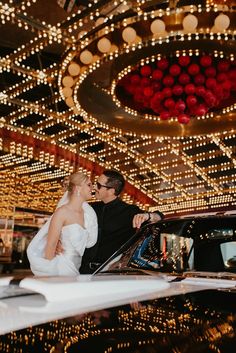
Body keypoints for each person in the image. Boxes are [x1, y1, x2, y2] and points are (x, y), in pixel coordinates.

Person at [79, 169, 164, 274]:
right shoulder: (91, 208)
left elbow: (160, 217)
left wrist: (148, 216)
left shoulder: (129, 211)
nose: (95, 188)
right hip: (83, 270)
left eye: (99, 185)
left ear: (111, 191)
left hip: (108, 274)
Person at [27, 172, 98, 276]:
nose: (92, 188)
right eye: (89, 185)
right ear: (77, 188)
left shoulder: (88, 215)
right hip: (61, 268)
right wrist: (49, 274)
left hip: (77, 269)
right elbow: (50, 246)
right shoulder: (62, 212)